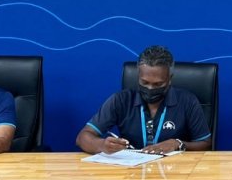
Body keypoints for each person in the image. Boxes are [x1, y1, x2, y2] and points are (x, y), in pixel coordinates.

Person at [77, 45, 211, 154]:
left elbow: (206, 144)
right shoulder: (121, 100)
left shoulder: (187, 101)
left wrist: (178, 144)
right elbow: (83, 137)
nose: (150, 88)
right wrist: (101, 145)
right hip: (130, 171)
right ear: (138, 76)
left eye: (158, 84)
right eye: (145, 82)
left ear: (169, 79)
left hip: (174, 170)